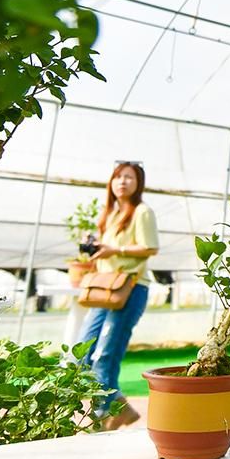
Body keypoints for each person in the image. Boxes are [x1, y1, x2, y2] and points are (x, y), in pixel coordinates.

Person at [82, 160, 160, 430]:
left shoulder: (142, 212)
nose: (122, 182)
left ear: (138, 184)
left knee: (106, 354)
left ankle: (104, 415)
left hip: (131, 287)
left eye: (129, 177)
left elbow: (150, 248)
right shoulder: (108, 215)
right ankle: (119, 408)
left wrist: (115, 251)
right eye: (118, 177)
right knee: (82, 352)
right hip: (105, 288)